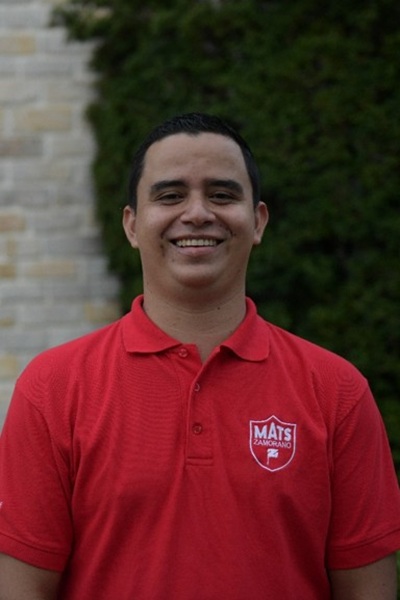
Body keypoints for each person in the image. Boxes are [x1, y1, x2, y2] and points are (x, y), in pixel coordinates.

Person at [0, 112, 399, 600]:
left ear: (258, 221)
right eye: (170, 195)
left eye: (222, 195)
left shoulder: (337, 391)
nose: (197, 213)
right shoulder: (53, 389)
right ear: (132, 225)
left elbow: (367, 589)